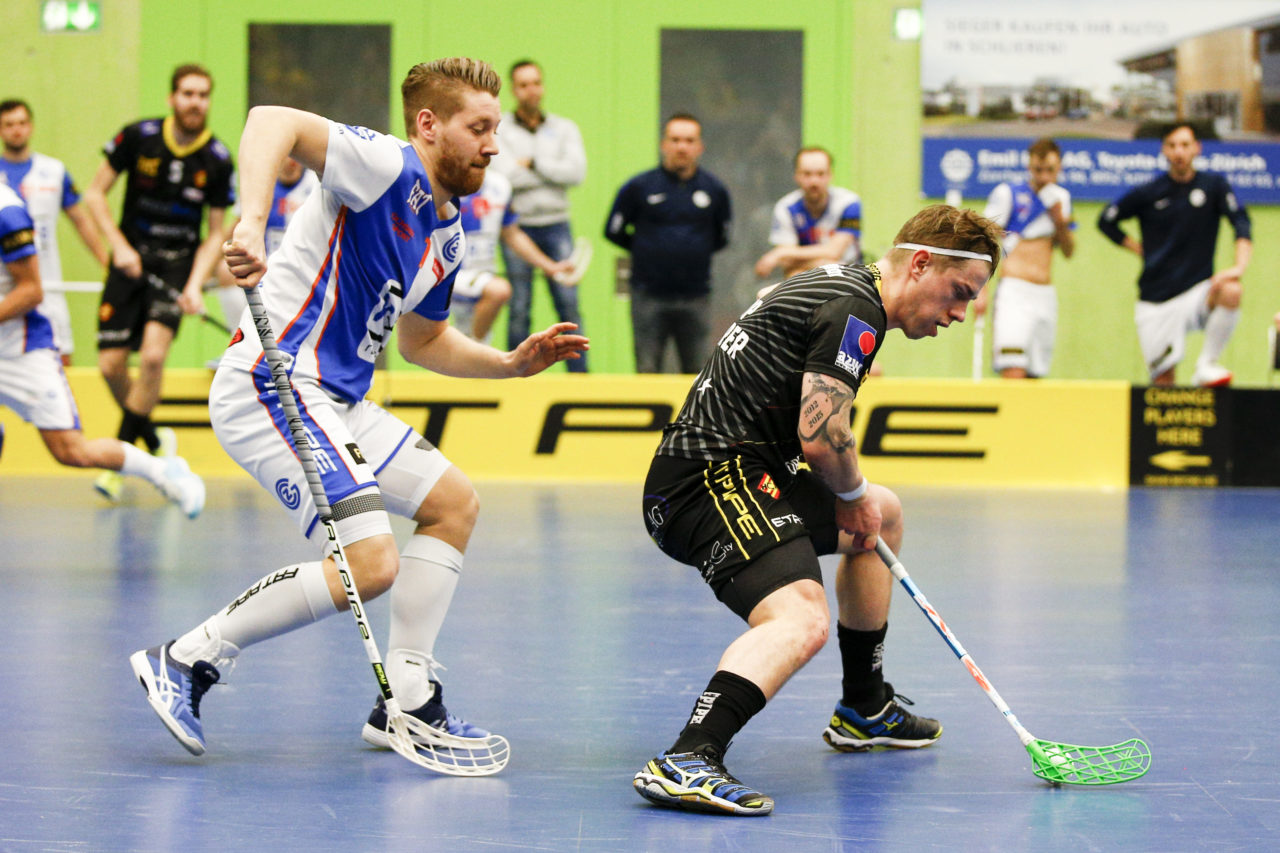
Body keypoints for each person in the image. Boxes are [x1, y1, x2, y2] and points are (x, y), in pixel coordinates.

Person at [128, 57, 588, 758]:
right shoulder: (383, 165)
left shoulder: (448, 231)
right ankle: (189, 658)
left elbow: (423, 339)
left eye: (496, 128)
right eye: (480, 127)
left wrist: (508, 364)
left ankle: (405, 697)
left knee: (454, 503)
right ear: (429, 126)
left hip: (339, 397)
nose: (495, 144)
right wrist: (252, 221)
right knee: (370, 564)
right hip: (274, 381)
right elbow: (270, 121)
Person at [634, 204, 1003, 816]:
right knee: (801, 620)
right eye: (958, 293)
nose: (960, 314)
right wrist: (849, 496)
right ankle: (688, 756)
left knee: (883, 511)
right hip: (706, 480)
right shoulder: (854, 309)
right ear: (919, 263)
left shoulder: (846, 289)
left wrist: (862, 501)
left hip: (752, 471)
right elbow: (822, 431)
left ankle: (864, 706)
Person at [0, 182, 204, 516]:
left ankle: (162, 471)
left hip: (21, 352)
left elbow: (31, 291)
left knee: (72, 451)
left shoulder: (7, 214)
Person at [82, 64, 235, 501]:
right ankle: (155, 442)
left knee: (151, 359)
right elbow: (94, 195)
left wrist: (194, 284)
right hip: (128, 262)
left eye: (203, 95)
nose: (195, 102)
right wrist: (119, 248)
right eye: (187, 93)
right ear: (172, 98)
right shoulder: (138, 137)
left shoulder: (218, 160)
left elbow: (215, 234)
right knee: (111, 366)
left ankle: (119, 460)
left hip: (175, 267)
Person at [1097, 122, 1251, 386]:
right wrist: (1138, 248)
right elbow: (1106, 221)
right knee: (1164, 383)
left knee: (1231, 291)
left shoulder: (1215, 186)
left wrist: (1238, 267)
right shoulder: (1148, 191)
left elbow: (1241, 223)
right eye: (1172, 145)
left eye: (1185, 145)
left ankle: (1206, 365)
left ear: (1197, 149)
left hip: (1197, 292)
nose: (1179, 151)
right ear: (1164, 151)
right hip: (1156, 300)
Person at [604, 113, 732, 374]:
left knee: (698, 375)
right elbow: (613, 230)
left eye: (688, 140)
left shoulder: (714, 190)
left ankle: (693, 419)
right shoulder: (639, 187)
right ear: (664, 144)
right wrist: (646, 248)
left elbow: (721, 237)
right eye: (675, 140)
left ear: (699, 147)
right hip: (648, 296)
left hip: (696, 296)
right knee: (647, 370)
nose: (681, 147)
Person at [489, 59, 588, 370]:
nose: (530, 89)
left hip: (557, 224)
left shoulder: (564, 128)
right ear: (514, 90)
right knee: (519, 305)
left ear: (542, 86)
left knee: (568, 303)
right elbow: (501, 176)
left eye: (535, 82)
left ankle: (581, 381)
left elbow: (576, 173)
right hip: (517, 226)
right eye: (522, 84)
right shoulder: (499, 130)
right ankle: (513, 374)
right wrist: (549, 172)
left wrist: (531, 165)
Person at [0, 98, 110, 365]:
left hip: (47, 284)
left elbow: (81, 221)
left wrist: (108, 266)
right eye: (9, 124)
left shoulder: (54, 171)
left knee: (61, 360)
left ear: (31, 127)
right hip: (4, 287)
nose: (17, 130)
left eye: (22, 123)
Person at [975, 137, 1074, 378]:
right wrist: (981, 291)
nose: (1044, 177)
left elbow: (1068, 251)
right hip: (1014, 292)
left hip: (1044, 294)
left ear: (1059, 167)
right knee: (1013, 368)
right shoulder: (1009, 193)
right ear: (1030, 167)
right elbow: (984, 242)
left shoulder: (1062, 198)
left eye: (1050, 170)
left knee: (1036, 373)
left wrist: (1060, 221)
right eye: (1038, 170)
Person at [452, 169, 571, 344]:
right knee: (498, 291)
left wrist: (551, 267)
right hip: (447, 276)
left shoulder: (499, 187)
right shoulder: (445, 183)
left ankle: (471, 353)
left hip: (482, 278)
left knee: (468, 340)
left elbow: (512, 235)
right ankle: (473, 350)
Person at [210, 156, 319, 333]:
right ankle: (240, 338)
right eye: (285, 157)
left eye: (295, 158)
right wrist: (205, 271)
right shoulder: (260, 183)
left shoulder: (316, 185)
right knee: (225, 270)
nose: (290, 164)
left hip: (303, 271)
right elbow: (237, 227)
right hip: (264, 266)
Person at [754, 147, 862, 280]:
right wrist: (824, 262)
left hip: (847, 277)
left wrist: (780, 253)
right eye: (807, 174)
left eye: (821, 174)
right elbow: (787, 262)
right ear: (796, 176)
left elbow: (834, 251)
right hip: (801, 278)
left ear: (830, 175)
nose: (814, 181)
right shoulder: (786, 207)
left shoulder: (849, 203)